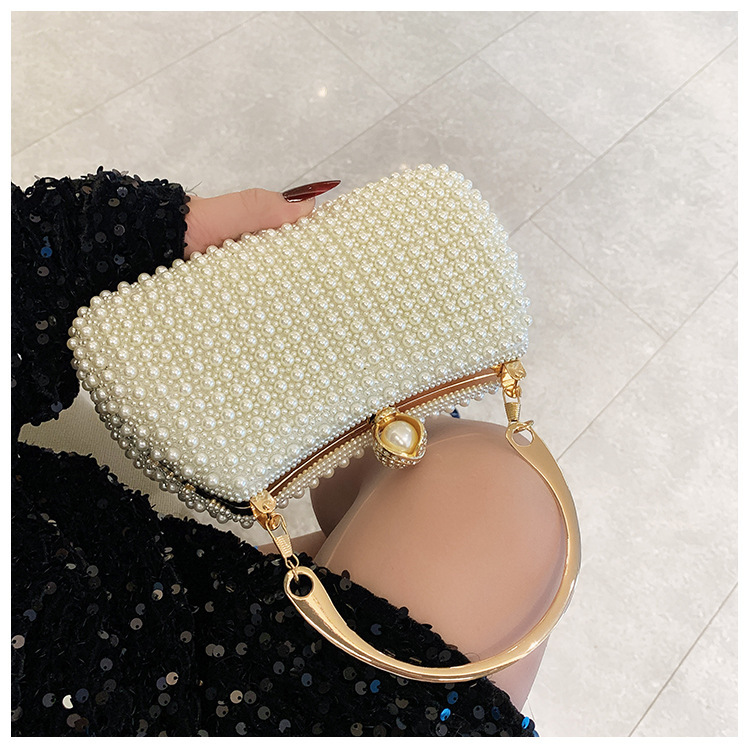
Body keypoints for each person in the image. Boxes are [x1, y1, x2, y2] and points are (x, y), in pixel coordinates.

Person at [11, 167, 564, 737]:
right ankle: (358, 466)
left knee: (461, 477)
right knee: (496, 488)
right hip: (156, 682)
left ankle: (355, 456)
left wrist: (91, 235)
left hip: (101, 577)